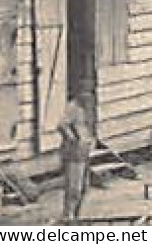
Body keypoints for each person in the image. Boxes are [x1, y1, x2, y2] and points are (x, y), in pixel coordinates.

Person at [58, 92, 96, 223]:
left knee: (84, 187)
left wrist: (90, 141)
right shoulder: (72, 107)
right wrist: (74, 139)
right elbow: (62, 125)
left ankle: (76, 214)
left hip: (84, 152)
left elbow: (88, 128)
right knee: (74, 187)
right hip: (73, 153)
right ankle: (68, 215)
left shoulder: (87, 108)